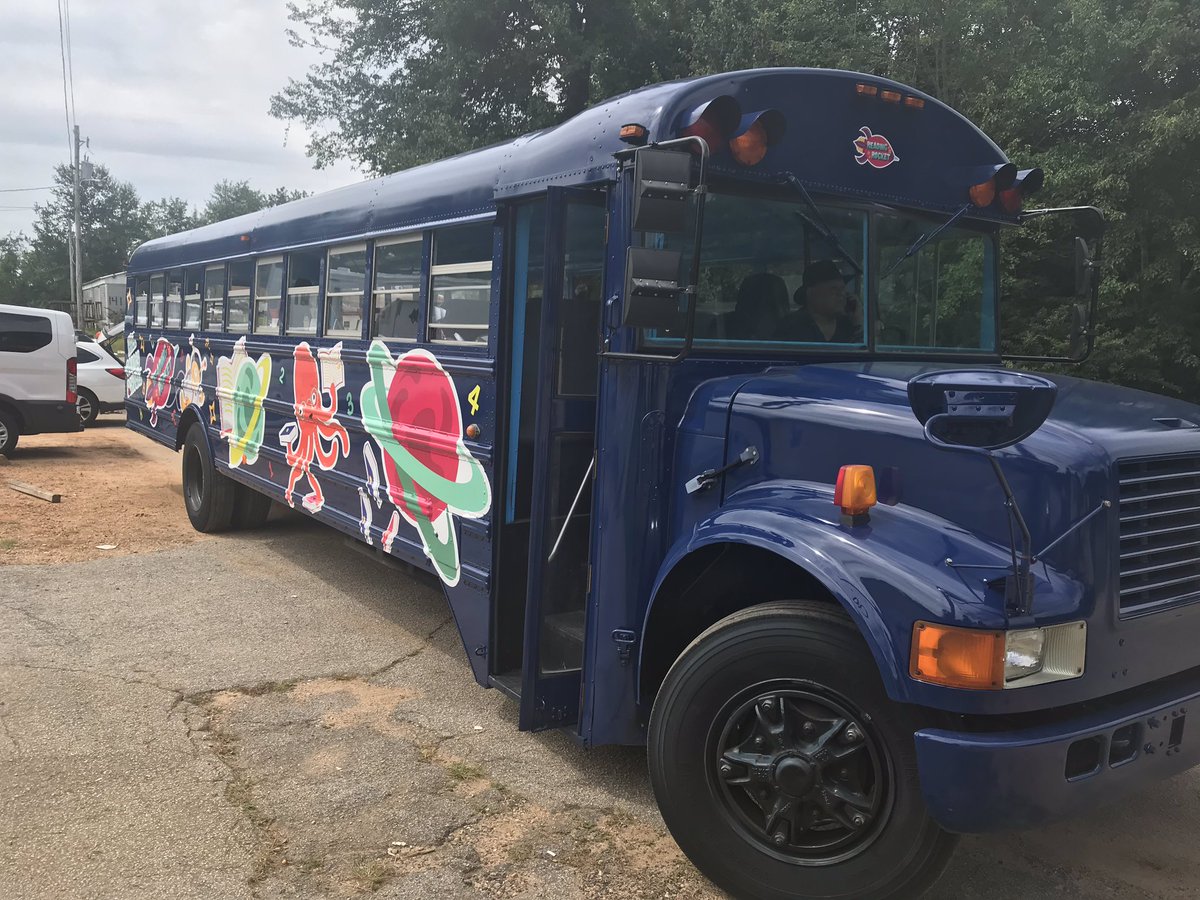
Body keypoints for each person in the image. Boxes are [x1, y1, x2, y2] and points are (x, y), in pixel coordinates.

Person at [783, 260, 861, 343]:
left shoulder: (848, 325)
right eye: (833, 289)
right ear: (811, 293)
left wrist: (858, 323)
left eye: (843, 289)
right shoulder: (791, 326)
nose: (841, 294)